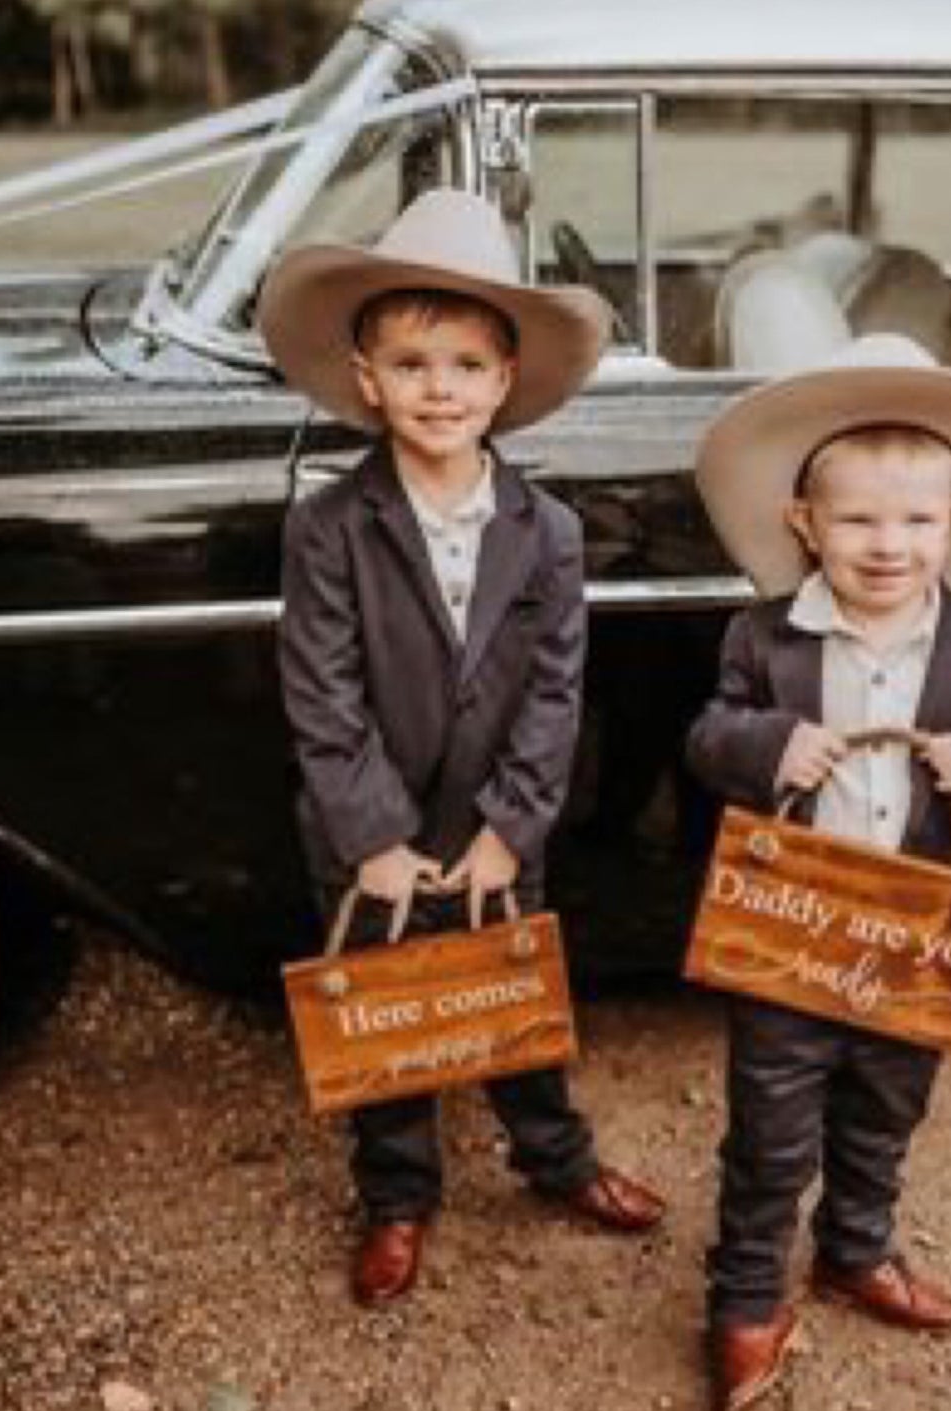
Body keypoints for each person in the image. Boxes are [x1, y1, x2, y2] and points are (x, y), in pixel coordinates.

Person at [257, 188, 665, 1309]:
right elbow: (322, 693)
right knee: (388, 1013)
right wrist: (374, 835)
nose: (439, 387)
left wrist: (508, 826)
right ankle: (396, 1193)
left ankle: (555, 1158)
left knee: (514, 994)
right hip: (370, 831)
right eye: (412, 361)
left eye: (466, 365)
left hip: (494, 820)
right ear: (366, 378)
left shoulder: (549, 532)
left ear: (503, 383)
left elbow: (553, 689)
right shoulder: (330, 525)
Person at [685, 332, 951, 1411]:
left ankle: (854, 1245)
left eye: (915, 520)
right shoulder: (765, 637)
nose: (887, 545)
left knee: (885, 1100)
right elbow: (709, 733)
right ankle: (745, 1294)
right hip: (792, 924)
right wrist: (767, 746)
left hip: (912, 927)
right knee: (769, 1120)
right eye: (856, 519)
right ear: (805, 524)